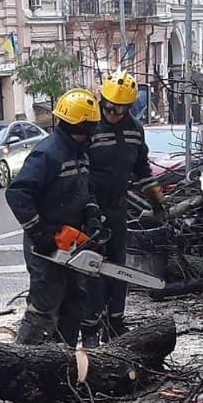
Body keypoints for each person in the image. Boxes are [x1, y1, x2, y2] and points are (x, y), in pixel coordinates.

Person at [5, 88, 102, 346]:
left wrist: (92, 212)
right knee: (44, 306)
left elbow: (86, 188)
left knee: (75, 299)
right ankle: (25, 358)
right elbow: (18, 193)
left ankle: (63, 356)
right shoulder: (47, 153)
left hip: (73, 239)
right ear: (75, 126)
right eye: (89, 129)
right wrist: (40, 233)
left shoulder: (80, 152)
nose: (91, 135)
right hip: (47, 241)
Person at [80, 70, 157, 347]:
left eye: (119, 109)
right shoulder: (90, 127)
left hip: (117, 206)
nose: (113, 114)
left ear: (129, 107)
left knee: (118, 266)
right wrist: (88, 207)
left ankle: (115, 321)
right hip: (89, 207)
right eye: (110, 108)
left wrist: (156, 199)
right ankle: (89, 328)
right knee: (91, 268)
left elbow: (141, 168)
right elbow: (79, 168)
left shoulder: (135, 130)